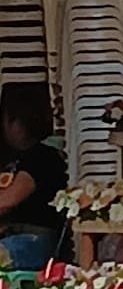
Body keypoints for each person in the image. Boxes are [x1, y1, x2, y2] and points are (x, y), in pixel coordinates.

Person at [0, 83, 68, 271]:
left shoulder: (42, 157)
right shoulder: (15, 157)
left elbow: (9, 199)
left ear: (17, 122)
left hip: (33, 240)